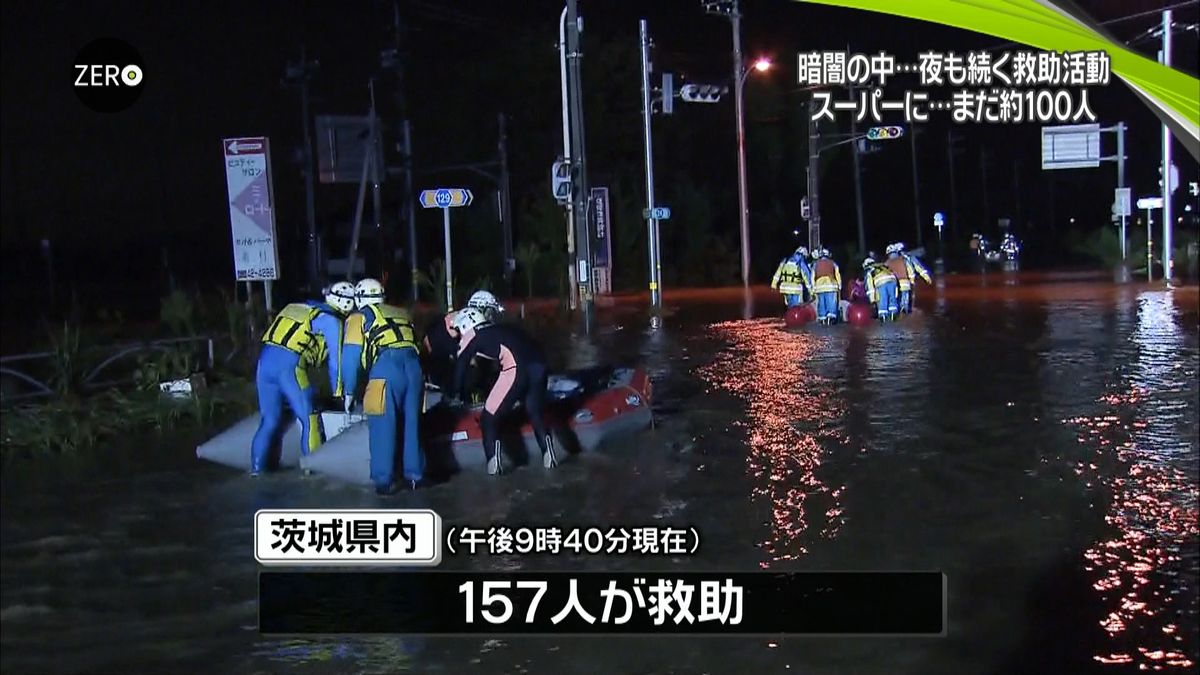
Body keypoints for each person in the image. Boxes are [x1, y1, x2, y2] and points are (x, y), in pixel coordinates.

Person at [249, 281, 355, 475]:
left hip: (264, 364)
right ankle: (312, 470)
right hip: (290, 367)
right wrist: (340, 392)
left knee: (269, 420)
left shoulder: (295, 307)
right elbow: (335, 363)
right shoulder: (332, 322)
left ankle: (257, 470)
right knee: (309, 418)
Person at [449, 308, 559, 475]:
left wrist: (456, 394)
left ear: (466, 325)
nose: (458, 336)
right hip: (539, 365)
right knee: (534, 410)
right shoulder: (503, 328)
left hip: (517, 368)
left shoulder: (474, 336)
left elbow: (461, 366)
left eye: (458, 331)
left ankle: (494, 467)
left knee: (488, 418)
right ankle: (548, 454)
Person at [342, 278, 424, 494]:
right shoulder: (401, 313)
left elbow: (350, 357)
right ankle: (414, 476)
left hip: (386, 368)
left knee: (382, 425)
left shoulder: (358, 317)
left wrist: (348, 391)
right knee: (412, 424)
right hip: (414, 369)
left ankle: (383, 482)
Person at [896, 242, 932, 313]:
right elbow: (920, 269)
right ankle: (906, 310)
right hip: (907, 281)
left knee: (903, 297)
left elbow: (920, 269)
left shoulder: (901, 259)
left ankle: (904, 310)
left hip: (901, 281)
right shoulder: (909, 258)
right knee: (908, 297)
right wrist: (927, 278)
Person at [810, 248, 842, 324]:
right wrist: (839, 285)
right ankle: (831, 318)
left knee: (821, 302)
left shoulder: (815, 264)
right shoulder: (833, 263)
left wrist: (813, 288)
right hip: (831, 285)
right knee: (831, 302)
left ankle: (822, 318)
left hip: (819, 287)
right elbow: (837, 274)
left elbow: (812, 276)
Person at [863, 256, 899, 321]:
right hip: (893, 280)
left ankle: (883, 316)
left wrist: (872, 299)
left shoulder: (869, 270)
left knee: (883, 299)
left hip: (881, 282)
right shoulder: (882, 266)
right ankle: (893, 314)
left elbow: (870, 286)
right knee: (892, 298)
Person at [884, 244, 914, 317]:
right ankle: (905, 315)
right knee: (905, 301)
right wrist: (912, 280)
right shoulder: (903, 259)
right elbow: (910, 270)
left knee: (895, 299)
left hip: (894, 284)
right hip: (905, 283)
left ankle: (896, 314)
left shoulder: (887, 262)